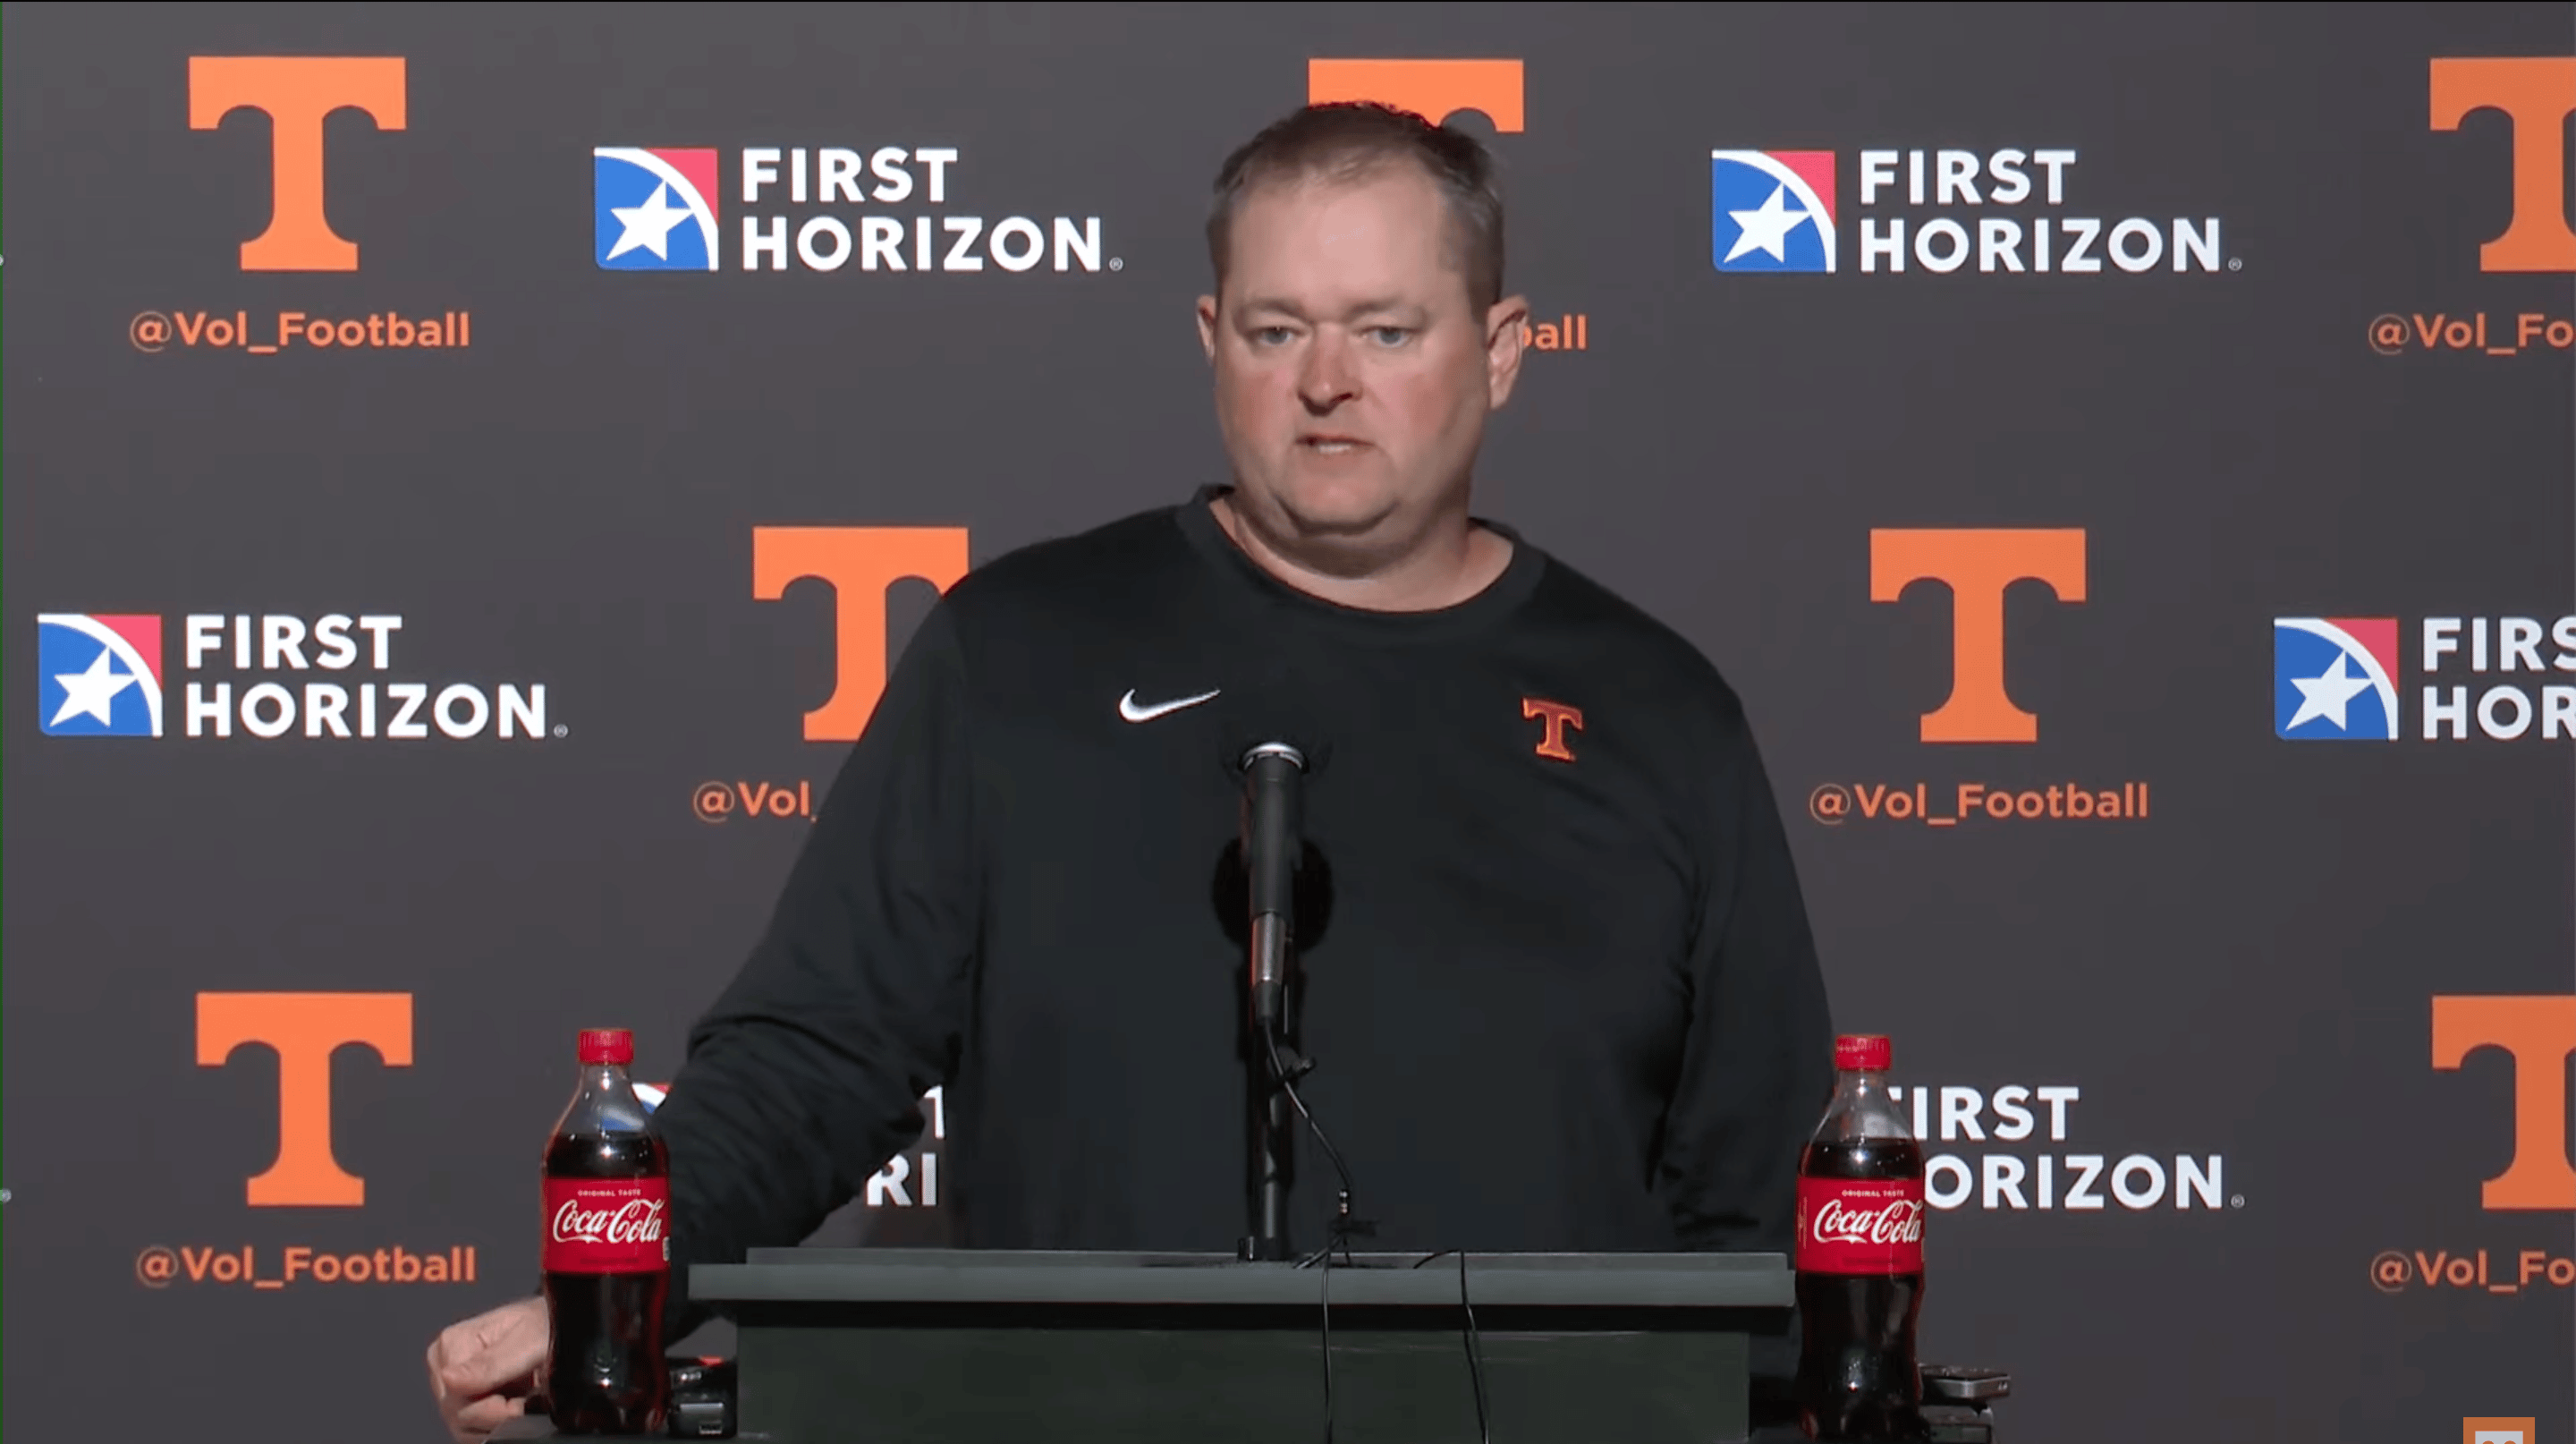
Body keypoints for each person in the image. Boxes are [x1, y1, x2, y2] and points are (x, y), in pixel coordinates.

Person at [428, 99, 1835, 1443]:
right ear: (1212, 340)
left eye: (1386, 330)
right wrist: (607, 1300)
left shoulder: (1658, 712)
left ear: (1503, 349)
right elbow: (814, 1055)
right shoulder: (1018, 654)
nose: (1327, 382)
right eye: (1277, 329)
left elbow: (1760, 1212)